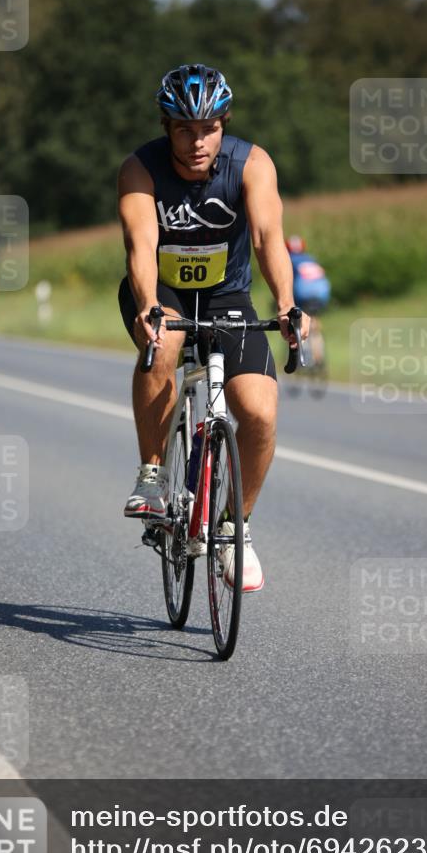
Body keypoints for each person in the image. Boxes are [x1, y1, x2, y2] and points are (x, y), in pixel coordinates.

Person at [117, 63, 309, 592]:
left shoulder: (251, 164)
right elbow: (140, 248)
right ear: (166, 127)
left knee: (260, 415)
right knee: (166, 341)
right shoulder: (141, 169)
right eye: (184, 128)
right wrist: (150, 305)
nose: (197, 141)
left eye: (208, 128)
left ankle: (234, 528)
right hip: (163, 291)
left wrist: (288, 305)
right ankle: (152, 476)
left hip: (227, 295)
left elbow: (271, 238)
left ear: (224, 124)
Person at [286, 235, 331, 367]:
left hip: (303, 295)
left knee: (298, 320)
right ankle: (318, 356)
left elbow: (286, 283)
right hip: (322, 294)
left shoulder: (289, 260)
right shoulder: (311, 259)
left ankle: (303, 351)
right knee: (314, 321)